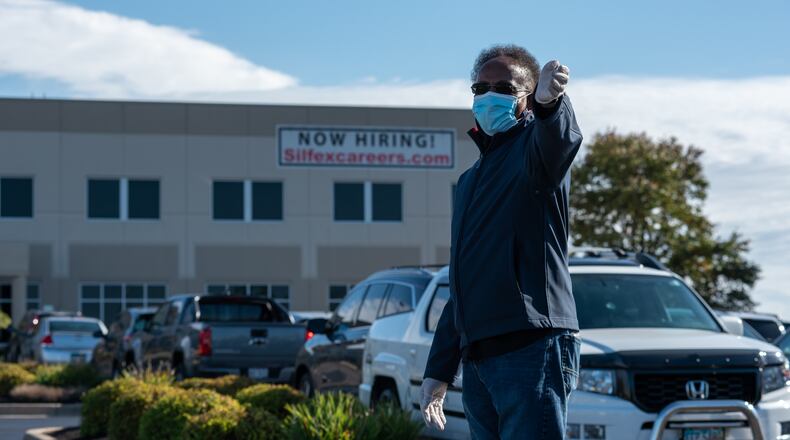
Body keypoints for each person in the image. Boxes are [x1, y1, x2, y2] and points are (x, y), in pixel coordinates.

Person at [420, 45, 583, 439]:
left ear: (527, 98)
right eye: (481, 87)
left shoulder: (535, 151)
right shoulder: (470, 180)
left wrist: (552, 105)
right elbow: (464, 280)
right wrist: (438, 370)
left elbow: (559, 141)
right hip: (480, 358)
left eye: (505, 88)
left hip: (531, 346)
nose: (490, 95)